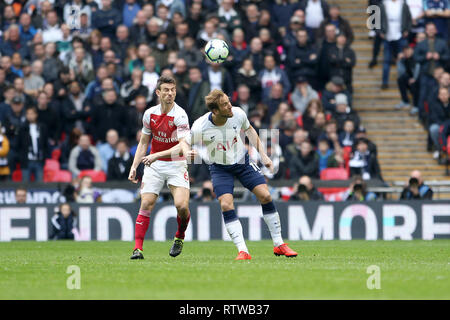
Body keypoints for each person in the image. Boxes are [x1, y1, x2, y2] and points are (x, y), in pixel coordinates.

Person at [163, 89, 298, 260]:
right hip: (219, 168)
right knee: (226, 205)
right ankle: (243, 250)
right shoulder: (200, 126)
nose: (230, 106)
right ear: (215, 111)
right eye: (225, 104)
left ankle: (279, 244)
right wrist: (184, 151)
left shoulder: (238, 113)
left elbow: (249, 131)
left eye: (228, 101)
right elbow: (183, 142)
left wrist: (263, 155)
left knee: (265, 195)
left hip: (243, 161)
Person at [128, 76, 191, 260]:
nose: (170, 93)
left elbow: (182, 146)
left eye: (172, 90)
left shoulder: (180, 115)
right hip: (154, 166)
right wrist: (134, 166)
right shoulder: (149, 114)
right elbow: (143, 142)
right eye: (166, 90)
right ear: (158, 93)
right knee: (146, 203)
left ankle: (180, 236)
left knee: (182, 206)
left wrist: (155, 155)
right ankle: (137, 249)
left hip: (176, 163)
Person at [18, 106, 48, 182]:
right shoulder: (22, 128)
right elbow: (19, 144)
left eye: (32, 113)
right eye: (28, 114)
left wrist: (44, 157)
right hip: (26, 161)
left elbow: (45, 144)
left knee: (39, 186)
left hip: (39, 160)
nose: (30, 116)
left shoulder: (42, 127)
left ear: (36, 115)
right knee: (25, 184)